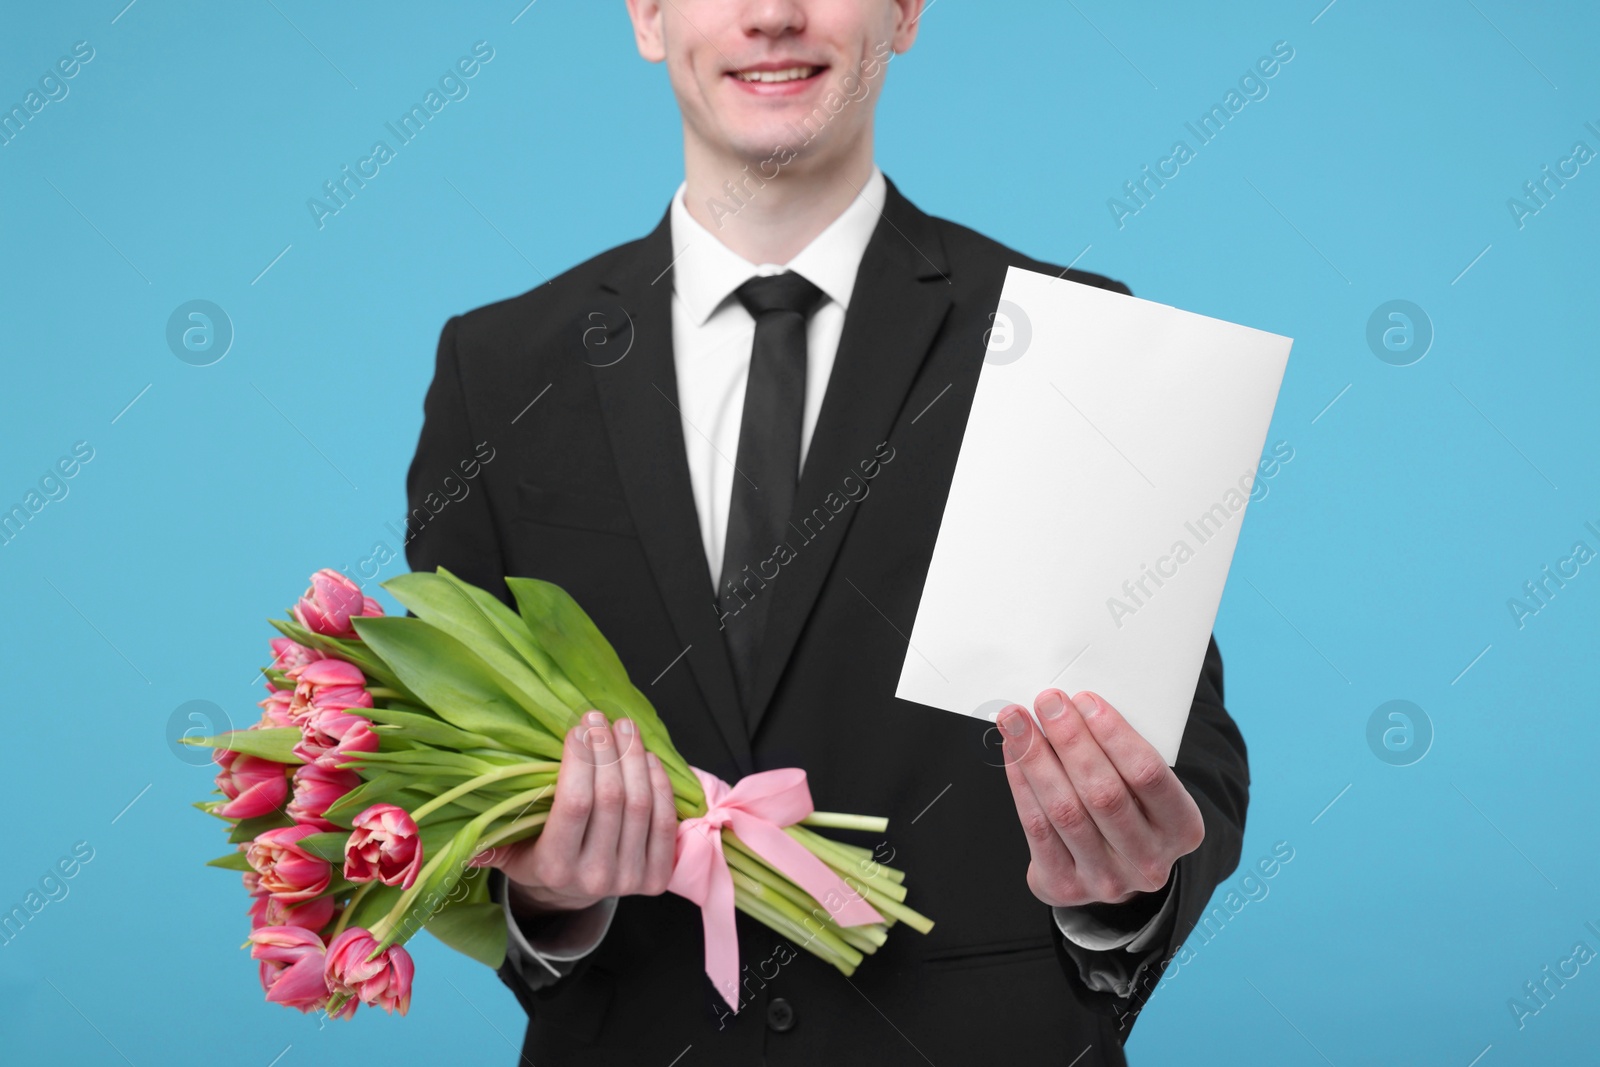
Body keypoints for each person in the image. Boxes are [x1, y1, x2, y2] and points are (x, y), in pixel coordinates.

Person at [404, 2, 1249, 1063]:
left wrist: (1122, 889)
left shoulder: (1069, 343)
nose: (772, 14)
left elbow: (1187, 759)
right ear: (648, 16)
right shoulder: (500, 372)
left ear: (903, 13)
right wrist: (545, 891)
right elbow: (447, 796)